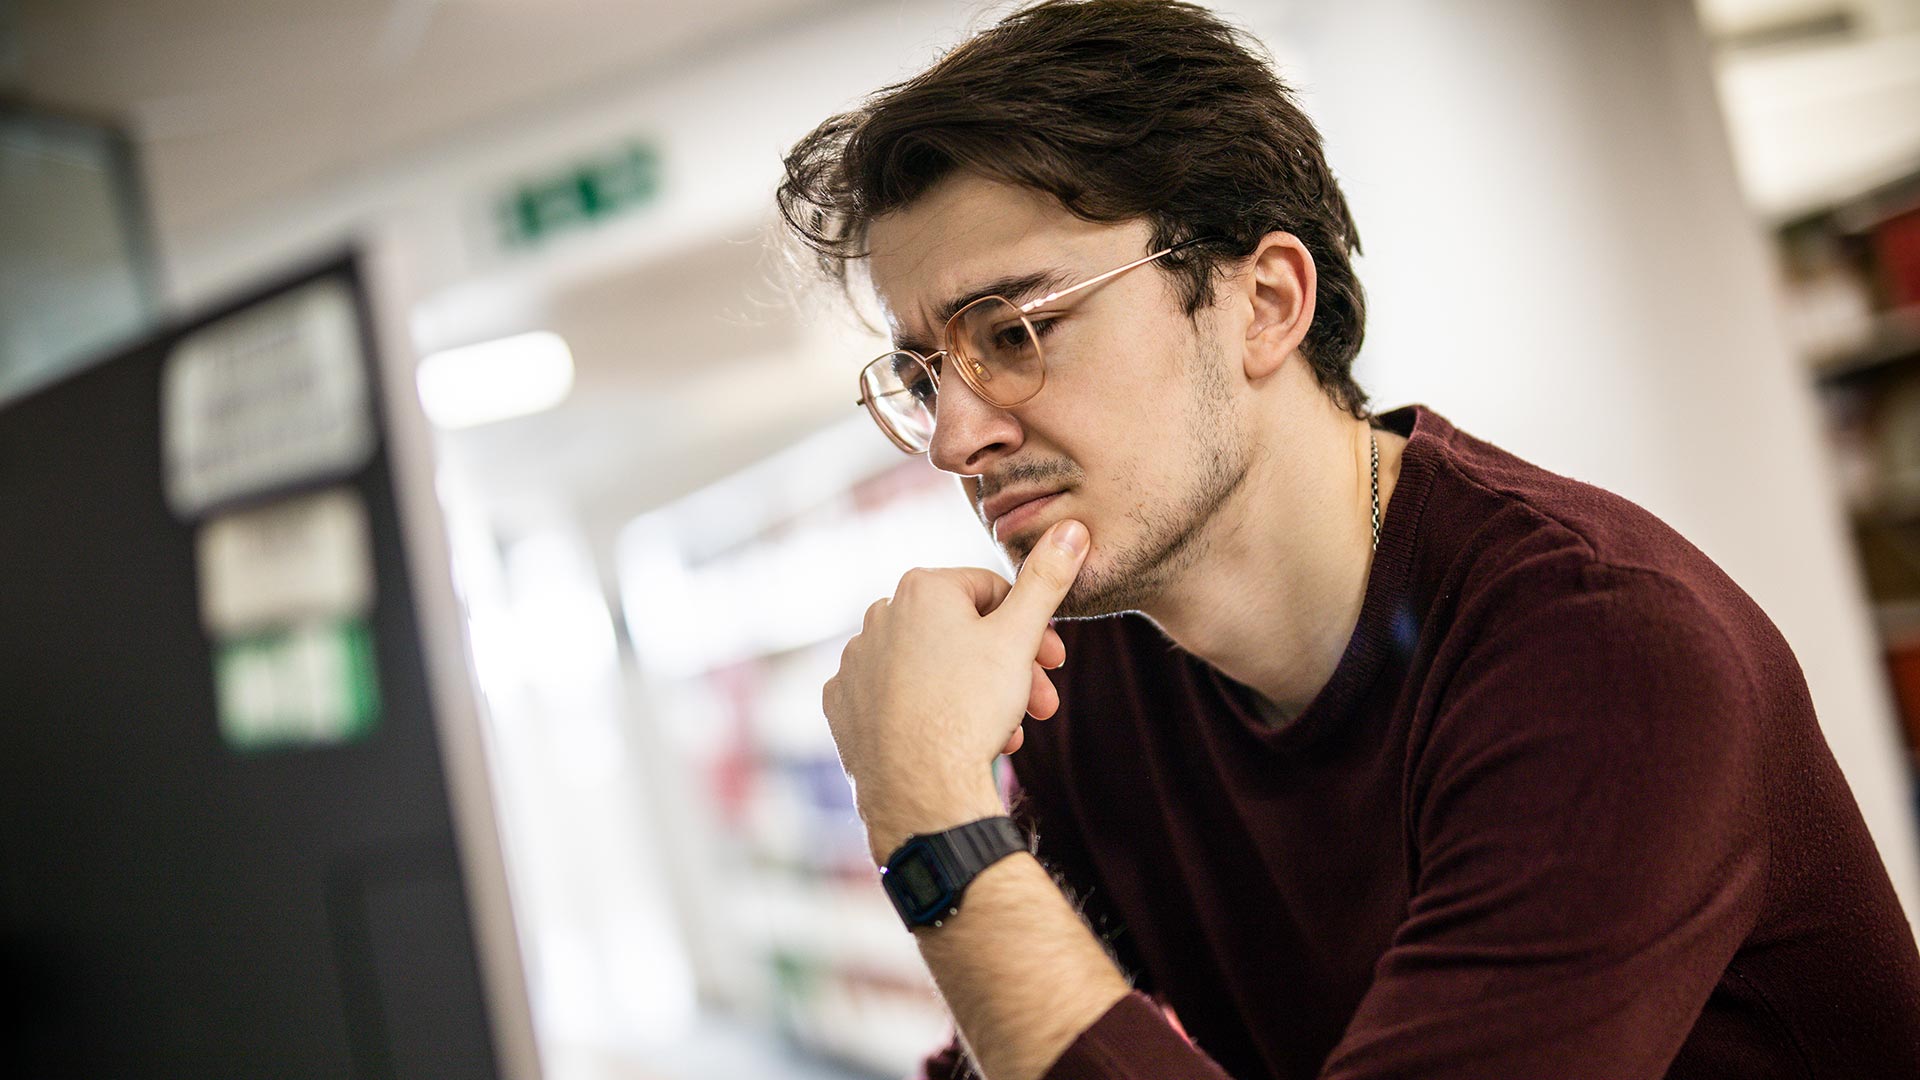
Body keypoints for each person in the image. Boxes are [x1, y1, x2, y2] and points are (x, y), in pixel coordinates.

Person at [778, 2, 1920, 1077]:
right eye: (927, 377)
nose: (955, 439)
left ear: (1267, 302)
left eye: (1015, 330)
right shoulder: (1099, 678)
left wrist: (932, 814)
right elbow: (1012, 1034)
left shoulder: (1607, 652)